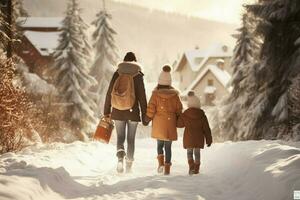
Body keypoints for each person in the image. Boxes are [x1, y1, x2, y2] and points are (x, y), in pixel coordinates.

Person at [104, 52, 147, 173]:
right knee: (131, 139)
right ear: (135, 61)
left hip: (117, 111)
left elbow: (109, 93)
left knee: (120, 137)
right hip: (133, 112)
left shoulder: (117, 73)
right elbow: (142, 97)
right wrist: (145, 116)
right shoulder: (138, 75)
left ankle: (119, 159)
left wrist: (106, 111)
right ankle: (128, 166)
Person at [144, 65, 183, 175]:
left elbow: (151, 108)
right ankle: (167, 169)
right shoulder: (175, 95)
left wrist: (147, 118)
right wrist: (179, 119)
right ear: (170, 82)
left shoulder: (155, 94)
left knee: (160, 145)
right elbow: (179, 109)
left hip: (158, 123)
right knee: (168, 147)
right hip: (170, 124)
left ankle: (160, 164)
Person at [177, 91, 212, 175]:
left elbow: (179, 124)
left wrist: (178, 116)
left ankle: (191, 167)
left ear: (189, 104)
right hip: (199, 138)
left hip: (189, 138)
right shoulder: (202, 115)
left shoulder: (185, 114)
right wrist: (209, 140)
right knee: (197, 153)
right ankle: (196, 169)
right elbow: (206, 129)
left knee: (189, 153)